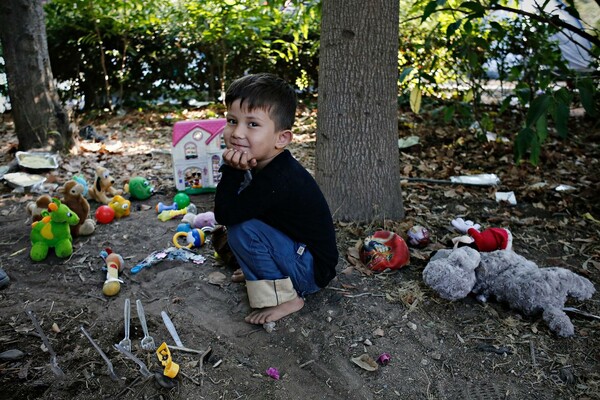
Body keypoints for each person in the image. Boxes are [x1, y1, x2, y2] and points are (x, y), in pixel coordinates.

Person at [214, 73, 339, 325]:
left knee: (241, 230)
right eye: (232, 120)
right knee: (243, 223)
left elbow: (226, 215)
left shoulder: (279, 178)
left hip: (311, 270)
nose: (237, 132)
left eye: (252, 124)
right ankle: (261, 275)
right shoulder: (263, 163)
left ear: (281, 138)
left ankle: (287, 298)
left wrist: (232, 171)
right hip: (297, 251)